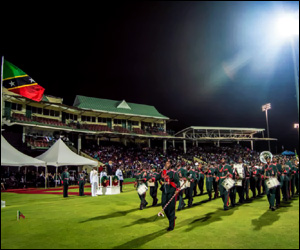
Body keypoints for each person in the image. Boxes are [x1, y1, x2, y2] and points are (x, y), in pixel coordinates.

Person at [159, 159, 180, 231]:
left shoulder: (173, 173)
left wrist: (177, 190)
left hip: (171, 191)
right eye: (166, 163)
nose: (166, 164)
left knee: (171, 209)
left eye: (168, 163)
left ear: (171, 164)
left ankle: (171, 225)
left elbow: (178, 182)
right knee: (163, 206)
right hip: (164, 191)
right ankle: (172, 218)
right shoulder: (163, 172)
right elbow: (158, 178)